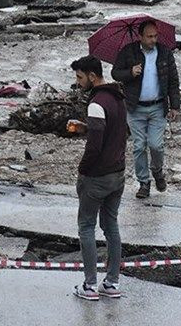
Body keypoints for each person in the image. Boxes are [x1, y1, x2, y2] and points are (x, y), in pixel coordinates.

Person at [70, 55, 127, 301]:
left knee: (86, 227)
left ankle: (90, 285)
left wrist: (83, 170)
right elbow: (118, 131)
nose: (78, 82)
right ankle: (112, 282)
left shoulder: (96, 104)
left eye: (80, 77)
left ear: (93, 76)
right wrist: (86, 127)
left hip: (97, 177)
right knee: (111, 226)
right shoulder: (118, 98)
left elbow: (94, 147)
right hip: (118, 173)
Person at [111, 20, 181, 199]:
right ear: (140, 36)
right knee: (139, 146)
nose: (153, 39)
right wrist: (130, 73)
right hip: (135, 108)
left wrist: (175, 105)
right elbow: (115, 73)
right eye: (149, 36)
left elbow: (173, 80)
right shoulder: (129, 51)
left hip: (158, 107)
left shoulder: (165, 53)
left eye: (155, 36)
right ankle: (144, 183)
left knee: (156, 145)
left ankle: (157, 171)